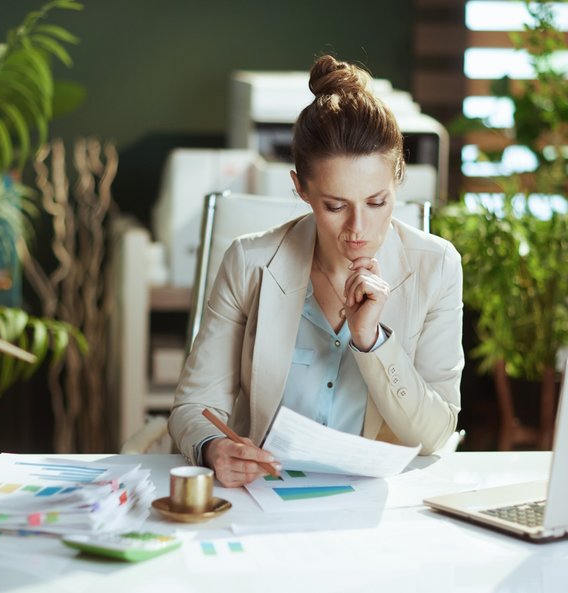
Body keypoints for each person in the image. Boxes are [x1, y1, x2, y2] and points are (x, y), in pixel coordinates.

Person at [168, 55, 464, 487]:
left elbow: (435, 434)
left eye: (377, 202)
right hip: (265, 496)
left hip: (375, 506)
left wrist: (372, 342)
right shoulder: (250, 263)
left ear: (399, 177)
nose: (357, 229)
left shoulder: (437, 266)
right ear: (300, 188)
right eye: (335, 206)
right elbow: (194, 407)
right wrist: (214, 447)